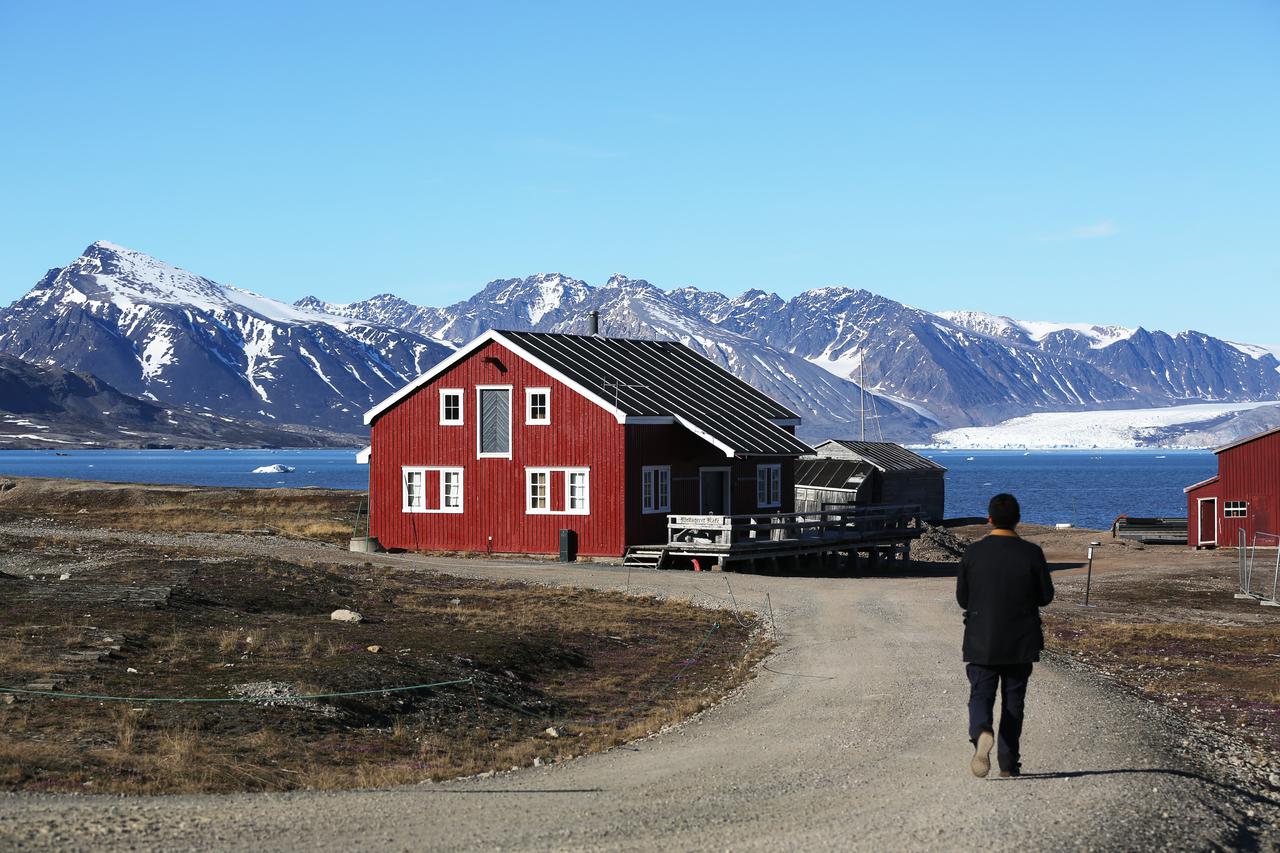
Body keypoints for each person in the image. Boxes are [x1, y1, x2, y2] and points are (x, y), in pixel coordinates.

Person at [956, 493, 1054, 778]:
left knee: (980, 695)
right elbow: (1045, 596)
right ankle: (1008, 763)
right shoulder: (1031, 553)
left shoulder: (972, 553)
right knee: (1014, 702)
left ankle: (981, 731)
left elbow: (963, 599)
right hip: (1020, 640)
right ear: (1018, 520)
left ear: (989, 519)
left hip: (981, 638)